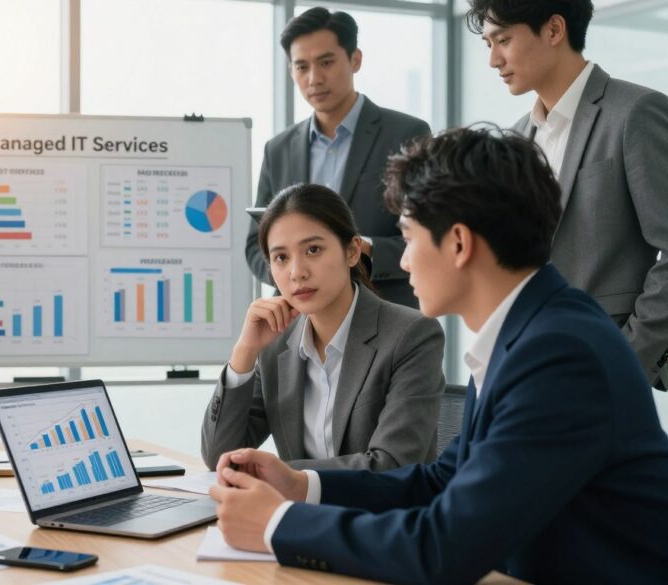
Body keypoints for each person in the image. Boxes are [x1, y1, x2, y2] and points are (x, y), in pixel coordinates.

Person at [209, 127, 668, 584]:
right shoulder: (530, 332)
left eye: (408, 237)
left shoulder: (558, 356)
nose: (403, 261)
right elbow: (440, 481)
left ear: (459, 243)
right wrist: (301, 486)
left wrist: (276, 524)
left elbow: (443, 547)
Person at [468, 0, 668, 387]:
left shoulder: (636, 113)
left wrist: (627, 359)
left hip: (607, 364)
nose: (493, 60)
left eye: (503, 40)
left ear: (555, 30)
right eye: (487, 45)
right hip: (528, 364)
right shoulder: (516, 136)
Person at [201, 183, 444, 472]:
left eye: (313, 250)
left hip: (380, 515)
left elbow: (391, 465)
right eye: (281, 257)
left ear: (352, 251)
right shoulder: (275, 343)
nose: (297, 272)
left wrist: (283, 475)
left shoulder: (411, 334)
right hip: (298, 514)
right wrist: (245, 352)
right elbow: (220, 457)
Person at [246, 7, 431, 308]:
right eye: (301, 67)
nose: (314, 78)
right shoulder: (277, 149)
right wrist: (295, 273)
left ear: (355, 59)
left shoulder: (406, 134)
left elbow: (430, 237)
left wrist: (365, 249)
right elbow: (255, 246)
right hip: (299, 324)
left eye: (326, 62)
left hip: (385, 314)